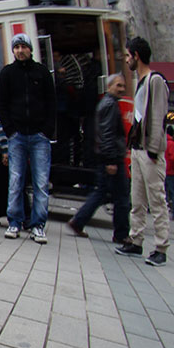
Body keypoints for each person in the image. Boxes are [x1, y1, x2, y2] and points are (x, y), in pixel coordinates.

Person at [117, 36, 171, 266]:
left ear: (136, 56)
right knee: (137, 199)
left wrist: (153, 150)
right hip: (139, 149)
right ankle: (136, 240)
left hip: (149, 151)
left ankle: (161, 247)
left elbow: (158, 117)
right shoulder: (141, 81)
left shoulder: (154, 81)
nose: (127, 59)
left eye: (129, 55)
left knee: (156, 200)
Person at [0, 33, 56, 243]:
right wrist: (10, 131)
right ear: (13, 51)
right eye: (16, 47)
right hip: (18, 136)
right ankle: (14, 222)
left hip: (39, 136)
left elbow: (51, 103)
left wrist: (47, 130)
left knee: (41, 183)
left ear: (30, 49)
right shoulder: (7, 74)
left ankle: (38, 225)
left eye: (23, 46)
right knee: (16, 181)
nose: (20, 50)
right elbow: (1, 105)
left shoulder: (42, 72)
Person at [66, 74, 129, 242]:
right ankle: (121, 235)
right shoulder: (110, 105)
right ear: (109, 87)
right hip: (111, 157)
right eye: (118, 85)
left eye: (123, 86)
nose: (122, 89)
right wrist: (111, 160)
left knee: (101, 192)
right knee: (121, 197)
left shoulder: (107, 104)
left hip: (107, 156)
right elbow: (107, 134)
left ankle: (78, 221)